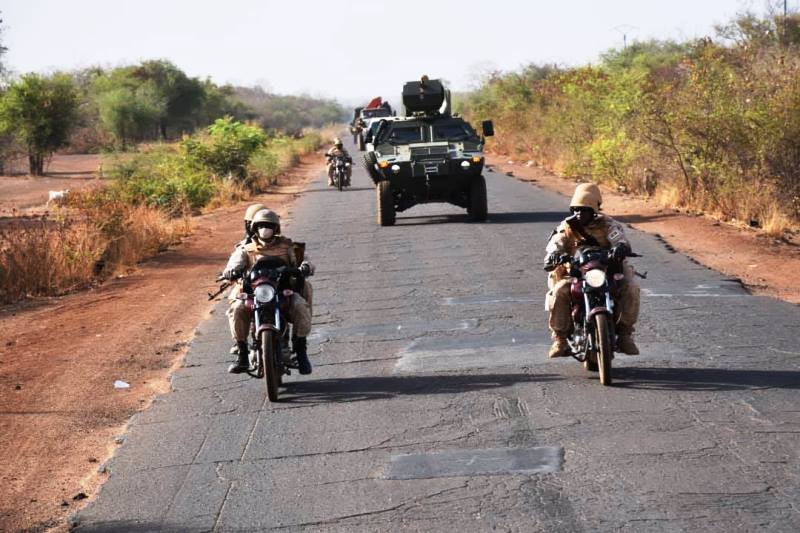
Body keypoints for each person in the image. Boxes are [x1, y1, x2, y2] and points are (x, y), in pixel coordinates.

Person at [543, 183, 640, 358]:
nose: (580, 214)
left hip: (607, 268)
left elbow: (619, 239)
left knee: (631, 287)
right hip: (576, 271)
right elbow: (556, 242)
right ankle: (560, 339)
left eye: (585, 210)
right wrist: (554, 254)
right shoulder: (567, 226)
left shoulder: (608, 224)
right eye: (576, 210)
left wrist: (621, 248)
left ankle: (625, 334)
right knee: (559, 292)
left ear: (594, 210)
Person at [222, 209, 315, 375]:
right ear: (255, 228)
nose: (265, 229)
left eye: (269, 225)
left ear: (276, 228)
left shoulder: (287, 246)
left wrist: (305, 267)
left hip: (281, 291)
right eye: (261, 225)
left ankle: (301, 350)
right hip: (255, 293)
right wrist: (230, 271)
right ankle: (242, 353)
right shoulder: (246, 248)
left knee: (300, 305)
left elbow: (304, 260)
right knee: (236, 309)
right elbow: (234, 264)